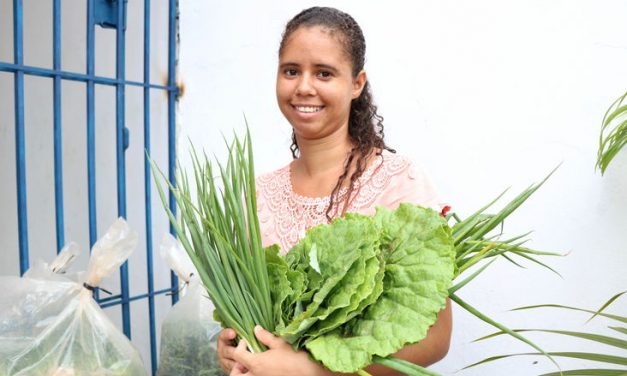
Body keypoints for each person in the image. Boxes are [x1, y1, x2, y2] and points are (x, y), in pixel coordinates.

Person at [218, 6, 452, 376]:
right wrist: (235, 347)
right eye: (291, 71)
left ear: (357, 83)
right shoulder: (256, 195)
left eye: (324, 73)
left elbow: (435, 340)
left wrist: (314, 371)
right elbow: (247, 314)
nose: (303, 87)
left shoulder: (399, 184)